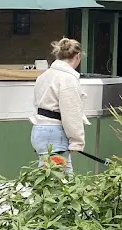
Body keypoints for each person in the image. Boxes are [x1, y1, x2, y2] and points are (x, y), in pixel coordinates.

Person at [30, 38, 86, 174]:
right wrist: (77, 141)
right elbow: (71, 113)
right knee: (59, 182)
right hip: (55, 132)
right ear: (78, 56)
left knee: (51, 178)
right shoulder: (68, 79)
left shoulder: (43, 76)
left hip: (39, 130)